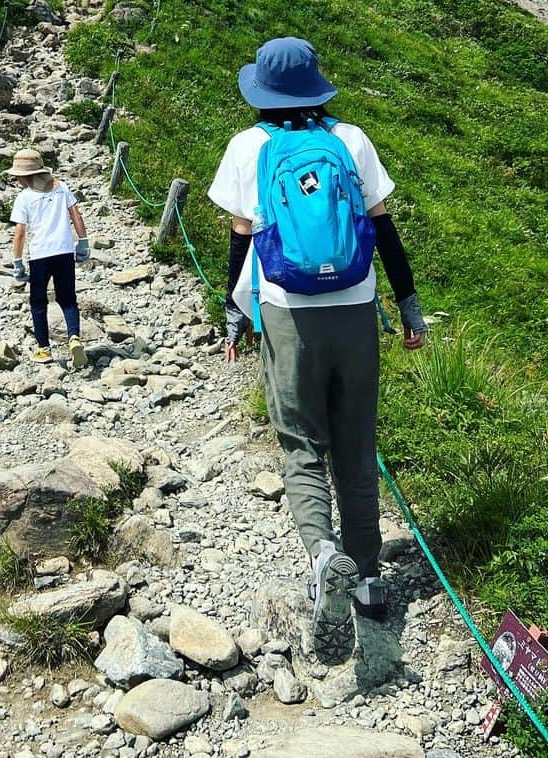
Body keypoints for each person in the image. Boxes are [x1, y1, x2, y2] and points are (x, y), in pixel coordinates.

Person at [208, 37, 427, 660]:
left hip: (286, 314)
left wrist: (232, 316)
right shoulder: (351, 140)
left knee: (302, 441)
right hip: (356, 312)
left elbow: (239, 243)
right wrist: (408, 308)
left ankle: (321, 555)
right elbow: (384, 230)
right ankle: (369, 582)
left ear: (262, 93)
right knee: (357, 445)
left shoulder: (248, 148)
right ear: (315, 86)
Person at [10, 148, 90, 369]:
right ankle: (74, 337)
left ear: (25, 176)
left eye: (17, 175)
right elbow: (76, 215)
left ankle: (44, 349)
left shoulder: (24, 197)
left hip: (40, 255)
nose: (16, 178)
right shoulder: (61, 188)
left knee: (38, 302)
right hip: (64, 252)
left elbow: (20, 232)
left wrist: (17, 262)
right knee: (67, 298)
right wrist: (83, 242)